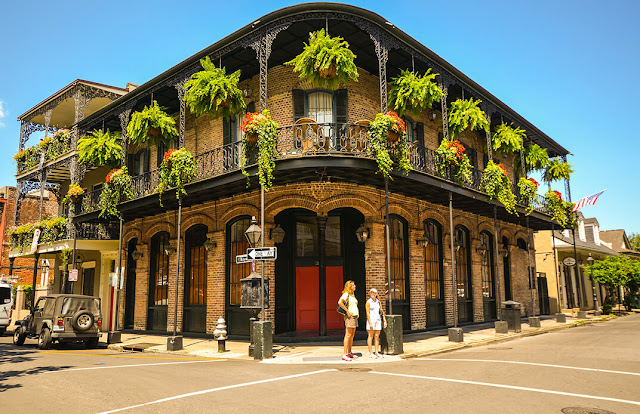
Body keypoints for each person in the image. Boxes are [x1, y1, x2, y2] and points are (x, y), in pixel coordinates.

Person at [338, 280, 359, 361]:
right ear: (350, 287)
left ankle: (350, 352)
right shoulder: (346, 294)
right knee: (348, 335)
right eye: (353, 285)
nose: (355, 286)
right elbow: (340, 302)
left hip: (354, 316)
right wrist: (347, 311)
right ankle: (345, 353)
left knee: (352, 335)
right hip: (349, 317)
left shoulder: (352, 294)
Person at [365, 288, 387, 358]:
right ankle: (371, 352)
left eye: (374, 293)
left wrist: (384, 320)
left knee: (377, 336)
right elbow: (367, 312)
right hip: (371, 320)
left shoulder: (378, 301)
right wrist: (370, 322)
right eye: (371, 293)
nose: (372, 294)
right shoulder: (368, 302)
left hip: (377, 320)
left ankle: (377, 352)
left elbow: (381, 311)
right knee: (370, 336)